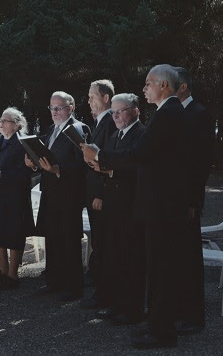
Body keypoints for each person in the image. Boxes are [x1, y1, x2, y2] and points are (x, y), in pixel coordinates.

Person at [82, 64, 190, 349]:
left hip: (162, 205)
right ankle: (157, 326)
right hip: (159, 203)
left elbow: (140, 154)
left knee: (160, 270)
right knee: (156, 269)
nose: (144, 89)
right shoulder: (167, 113)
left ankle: (162, 332)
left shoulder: (168, 113)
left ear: (164, 85)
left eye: (147, 84)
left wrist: (101, 156)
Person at [25, 91, 90, 302]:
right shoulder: (51, 129)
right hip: (50, 191)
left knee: (69, 240)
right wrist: (34, 163)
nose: (54, 112)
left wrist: (58, 170)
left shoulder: (78, 129)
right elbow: (46, 158)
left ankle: (73, 287)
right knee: (52, 238)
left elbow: (84, 165)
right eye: (51, 108)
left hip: (69, 192)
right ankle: (53, 282)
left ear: (70, 108)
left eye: (59, 108)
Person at [95, 94, 146, 325]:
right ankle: (116, 304)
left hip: (131, 205)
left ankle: (131, 309)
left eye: (121, 111)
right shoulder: (116, 134)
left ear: (135, 111)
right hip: (113, 205)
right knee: (114, 254)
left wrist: (110, 170)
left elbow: (138, 169)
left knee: (131, 257)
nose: (115, 116)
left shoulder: (141, 135)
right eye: (113, 112)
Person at [174, 66, 213, 334]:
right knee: (173, 256)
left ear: (183, 86)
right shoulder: (170, 114)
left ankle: (194, 316)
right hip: (169, 198)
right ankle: (176, 308)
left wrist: (193, 201)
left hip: (187, 198)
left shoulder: (199, 114)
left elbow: (201, 163)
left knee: (189, 257)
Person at [0, 107, 34, 290]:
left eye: (6, 121)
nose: (1, 124)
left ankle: (13, 275)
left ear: (18, 125)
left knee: (14, 234)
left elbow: (25, 177)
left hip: (14, 196)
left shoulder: (23, 143)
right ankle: (2, 271)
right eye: (0, 120)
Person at [80, 79, 119, 310]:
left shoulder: (111, 123)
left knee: (105, 244)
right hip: (93, 191)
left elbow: (109, 158)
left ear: (106, 98)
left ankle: (105, 293)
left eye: (93, 96)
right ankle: (101, 288)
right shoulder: (99, 123)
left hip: (102, 194)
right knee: (100, 242)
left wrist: (102, 194)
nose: (89, 101)